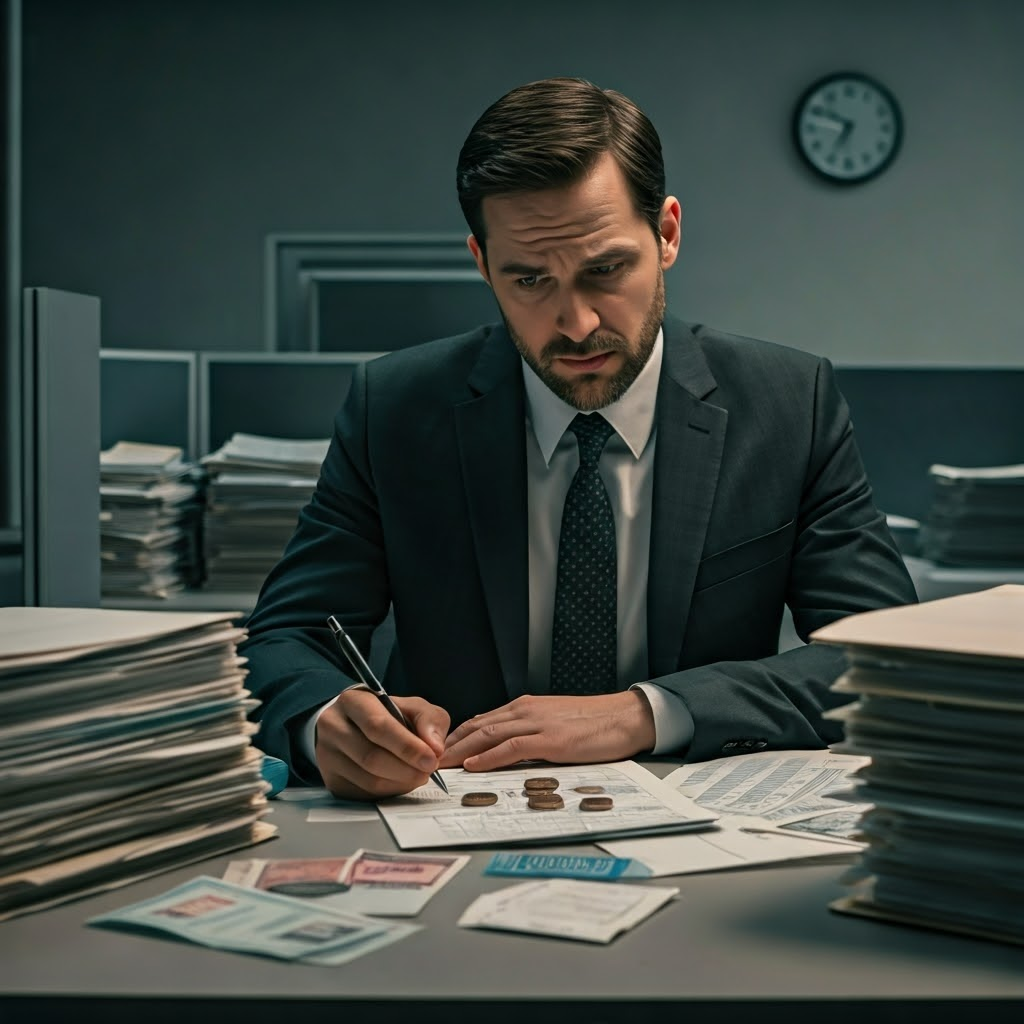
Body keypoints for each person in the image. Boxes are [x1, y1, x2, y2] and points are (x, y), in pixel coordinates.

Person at [240, 77, 917, 801]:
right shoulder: (395, 408)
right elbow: (284, 639)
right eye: (530, 280)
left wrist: (646, 713)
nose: (577, 323)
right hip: (447, 819)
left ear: (668, 234)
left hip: (703, 824)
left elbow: (886, 659)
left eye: (605, 270)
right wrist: (324, 719)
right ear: (481, 262)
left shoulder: (788, 404)